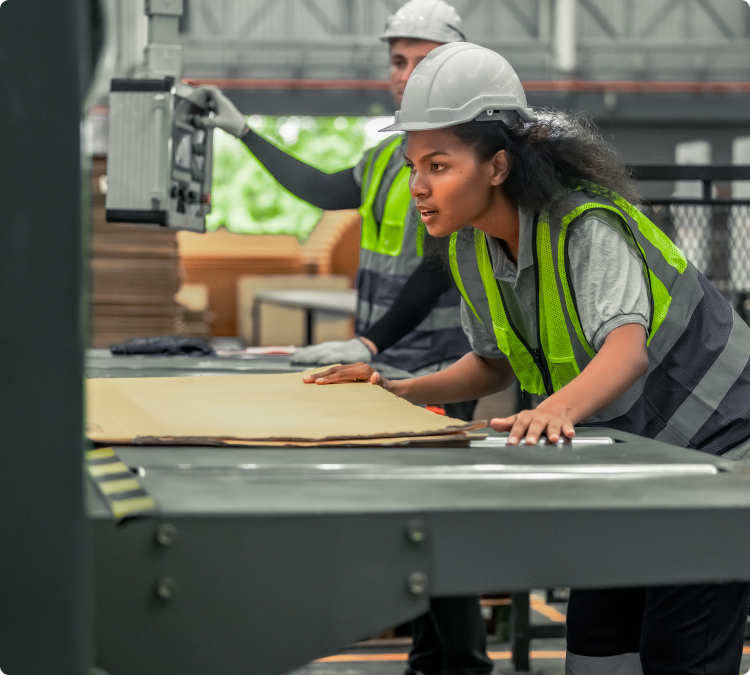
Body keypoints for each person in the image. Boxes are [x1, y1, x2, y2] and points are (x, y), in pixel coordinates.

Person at [302, 42, 750, 674]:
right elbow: (492, 362)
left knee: (677, 654)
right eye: (413, 166)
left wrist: (552, 412)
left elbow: (626, 354)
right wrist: (392, 391)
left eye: (439, 165)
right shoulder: (473, 249)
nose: (419, 187)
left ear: (498, 166)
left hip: (719, 460)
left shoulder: (585, 226)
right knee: (595, 651)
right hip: (635, 467)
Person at [202, 6, 492, 675]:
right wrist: (243, 130)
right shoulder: (393, 153)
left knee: (430, 525)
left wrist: (368, 342)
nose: (406, 75)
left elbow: (440, 262)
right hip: (387, 366)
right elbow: (324, 189)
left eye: (421, 61)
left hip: (440, 365)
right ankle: (433, 663)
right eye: (398, 61)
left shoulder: (456, 157)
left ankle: (466, 665)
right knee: (414, 525)